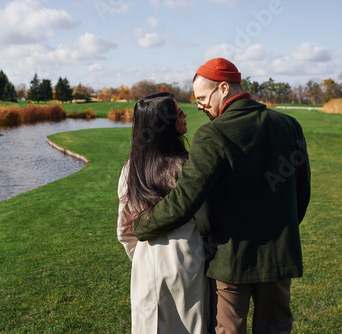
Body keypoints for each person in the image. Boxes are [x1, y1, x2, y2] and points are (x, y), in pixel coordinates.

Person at [133, 58, 311, 334]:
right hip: (279, 256)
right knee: (276, 328)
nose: (199, 105)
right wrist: (280, 231)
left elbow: (184, 201)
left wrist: (142, 225)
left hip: (231, 260)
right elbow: (302, 194)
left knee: (229, 330)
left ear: (224, 88)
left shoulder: (212, 134)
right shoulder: (290, 125)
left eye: (203, 97)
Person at [117, 92, 212, 333]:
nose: (185, 115)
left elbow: (124, 228)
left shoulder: (131, 169)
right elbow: (203, 218)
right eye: (180, 112)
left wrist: (142, 257)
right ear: (165, 123)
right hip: (186, 255)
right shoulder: (187, 166)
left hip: (145, 259)